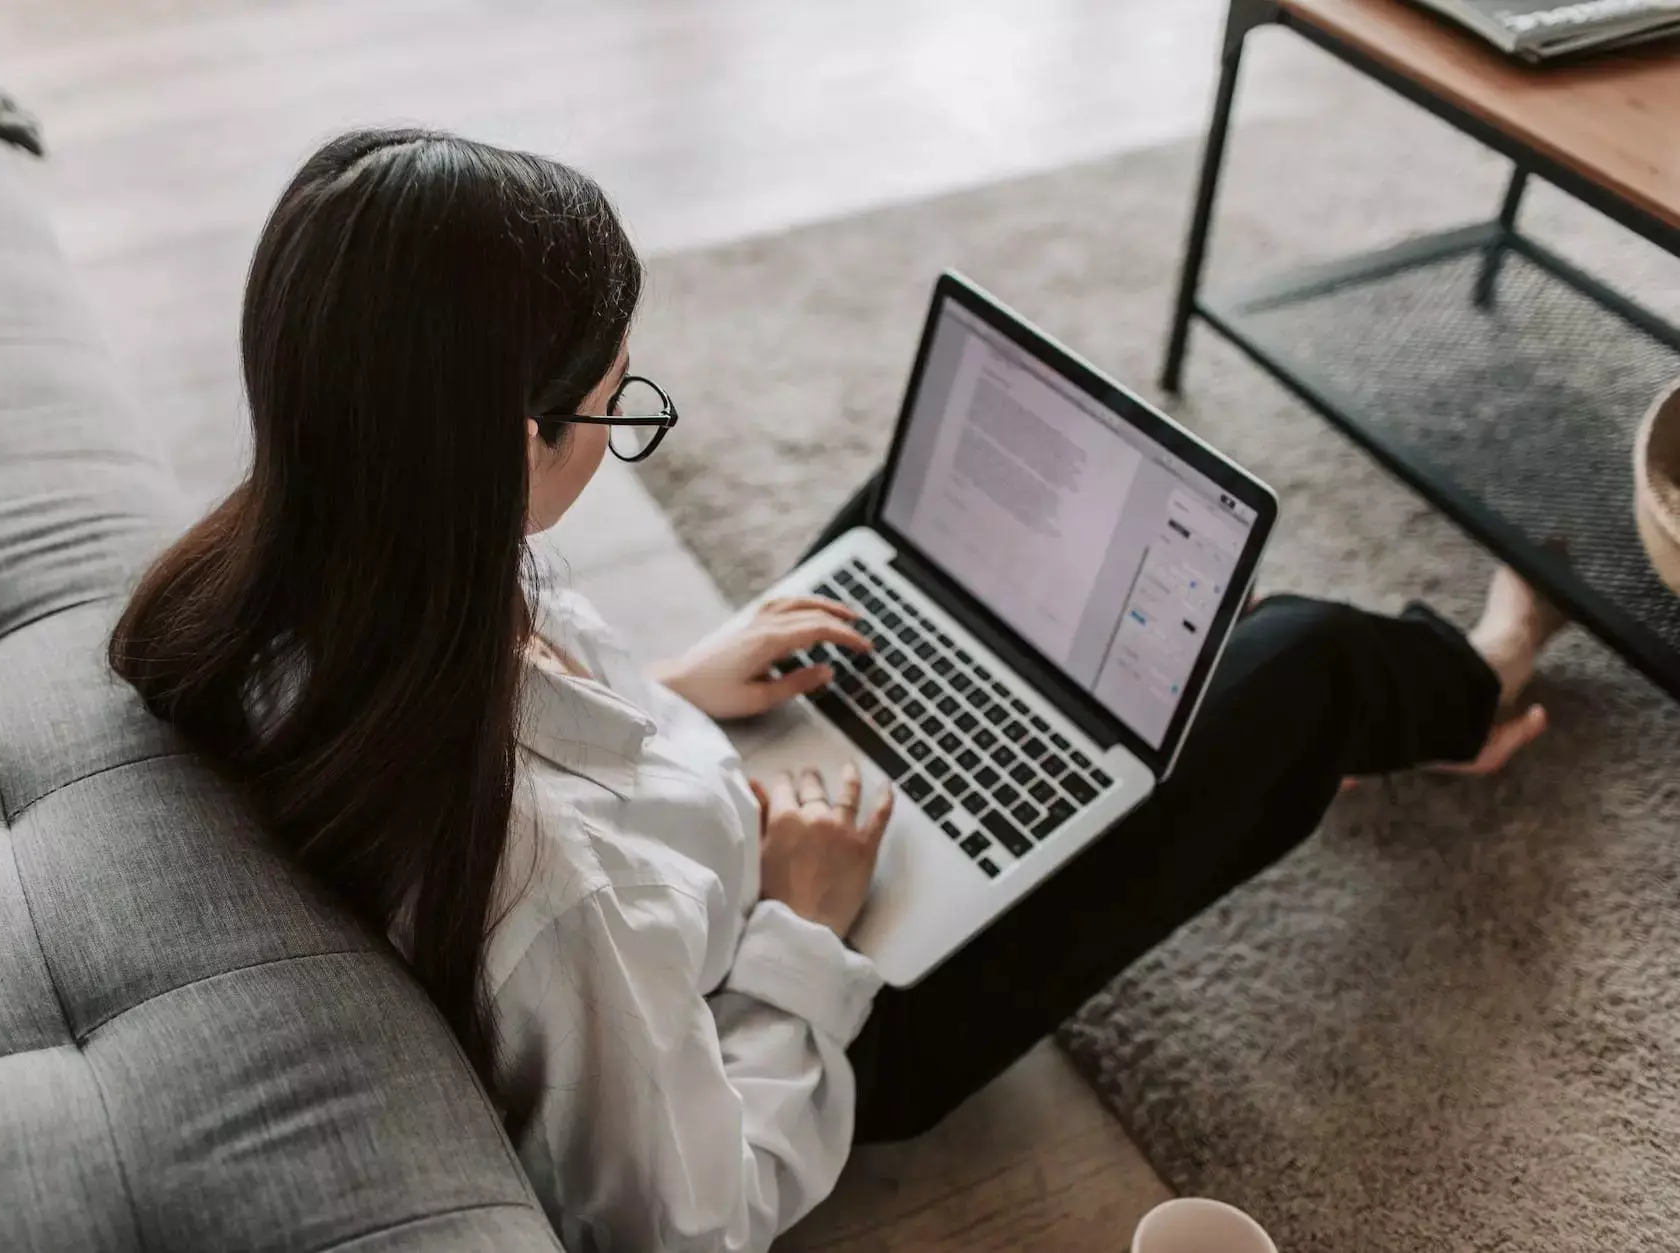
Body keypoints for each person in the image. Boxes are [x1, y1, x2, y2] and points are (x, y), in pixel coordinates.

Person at [108, 129, 1564, 1252]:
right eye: (614, 405)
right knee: (1297, 664)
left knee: (908, 536)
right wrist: (805, 927)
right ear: (502, 440)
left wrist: (672, 692)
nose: (627, 419)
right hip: (837, 1010)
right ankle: (1472, 687)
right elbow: (695, 1217)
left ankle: (1149, 669)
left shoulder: (317, 570)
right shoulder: (550, 897)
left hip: (716, 832)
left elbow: (533, 750)